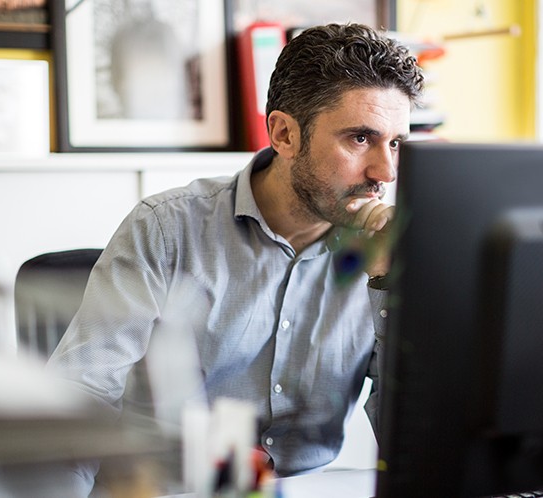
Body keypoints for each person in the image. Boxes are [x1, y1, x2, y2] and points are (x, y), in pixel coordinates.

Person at [47, 22, 424, 493]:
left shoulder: (388, 250)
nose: (384, 173)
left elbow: (417, 439)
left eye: (396, 143)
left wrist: (388, 286)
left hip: (309, 488)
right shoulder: (166, 229)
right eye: (359, 139)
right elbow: (80, 400)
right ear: (284, 134)